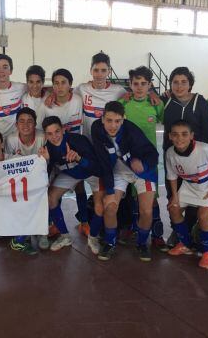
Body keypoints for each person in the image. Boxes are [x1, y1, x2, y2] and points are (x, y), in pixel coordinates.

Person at [91, 101, 158, 261]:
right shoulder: (97, 129)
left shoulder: (132, 131)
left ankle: (142, 244)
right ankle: (110, 242)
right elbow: (103, 161)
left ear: (123, 119)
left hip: (141, 172)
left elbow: (153, 154)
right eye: (109, 120)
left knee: (147, 211)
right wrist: (109, 191)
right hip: (118, 172)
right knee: (110, 207)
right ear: (102, 119)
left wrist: (143, 163)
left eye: (117, 121)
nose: (113, 126)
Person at [39, 116, 112, 252]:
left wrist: (79, 158)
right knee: (51, 198)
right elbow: (45, 177)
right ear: (45, 135)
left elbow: (97, 168)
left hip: (91, 173)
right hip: (71, 174)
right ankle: (65, 236)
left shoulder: (78, 141)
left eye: (57, 132)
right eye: (49, 134)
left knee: (100, 205)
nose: (54, 137)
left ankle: (93, 237)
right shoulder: (47, 149)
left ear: (63, 130)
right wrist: (46, 162)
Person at [166, 120, 208, 269]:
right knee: (173, 208)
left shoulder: (205, 149)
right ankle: (184, 244)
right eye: (175, 135)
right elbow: (172, 176)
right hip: (189, 185)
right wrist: (174, 196)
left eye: (184, 134)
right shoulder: (170, 153)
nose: (179, 138)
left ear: (191, 136)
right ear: (170, 136)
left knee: (203, 215)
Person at [118, 66, 167, 252]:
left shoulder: (156, 104)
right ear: (129, 85)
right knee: (130, 196)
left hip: (148, 161)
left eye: (143, 84)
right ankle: (132, 227)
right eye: (135, 83)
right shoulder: (124, 104)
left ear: (150, 85)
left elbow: (169, 123)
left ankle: (156, 234)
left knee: (151, 198)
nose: (139, 87)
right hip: (127, 160)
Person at [162, 67, 208, 246]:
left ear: (190, 84)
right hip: (173, 160)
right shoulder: (166, 101)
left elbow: (207, 134)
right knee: (173, 195)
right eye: (175, 82)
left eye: (184, 82)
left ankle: (191, 230)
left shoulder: (200, 102)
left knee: (193, 196)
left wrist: (203, 160)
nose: (179, 86)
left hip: (196, 161)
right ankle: (177, 232)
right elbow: (146, 101)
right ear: (170, 85)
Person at [38, 69, 90, 236]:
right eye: (56, 83)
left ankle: (84, 221)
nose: (59, 87)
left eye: (63, 83)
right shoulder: (46, 105)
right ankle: (53, 223)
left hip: (75, 151)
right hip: (55, 154)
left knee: (79, 185)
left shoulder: (78, 100)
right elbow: (41, 130)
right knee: (54, 187)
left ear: (70, 85)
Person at [5, 107, 47, 251]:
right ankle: (25, 231)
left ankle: (43, 231)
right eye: (21, 121)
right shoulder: (11, 139)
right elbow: (8, 167)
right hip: (20, 178)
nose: (25, 125)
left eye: (30, 121)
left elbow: (49, 163)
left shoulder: (43, 137)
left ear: (35, 124)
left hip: (42, 176)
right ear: (16, 125)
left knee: (45, 195)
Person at [0, 54, 27, 138]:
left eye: (5, 67)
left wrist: (51, 96)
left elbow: (36, 88)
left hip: (15, 139)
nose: (1, 71)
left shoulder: (20, 87)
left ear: (11, 71)